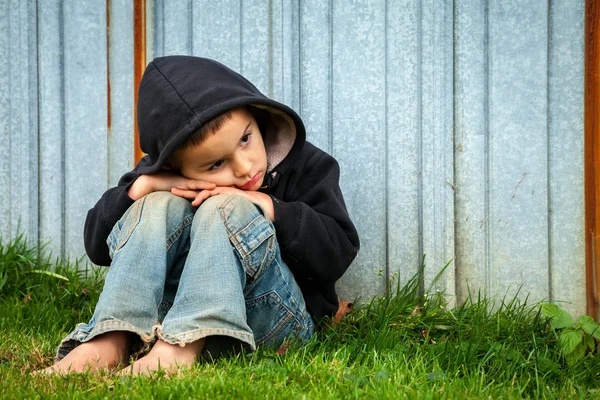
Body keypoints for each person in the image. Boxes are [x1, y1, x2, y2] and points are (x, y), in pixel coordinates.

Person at [41, 55, 359, 375]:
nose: (245, 167)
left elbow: (339, 250)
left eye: (245, 139)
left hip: (275, 320)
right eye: (216, 164)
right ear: (176, 167)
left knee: (225, 207)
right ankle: (111, 339)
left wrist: (267, 206)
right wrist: (146, 185)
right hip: (166, 321)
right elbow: (97, 246)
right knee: (156, 204)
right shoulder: (160, 175)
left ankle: (181, 350)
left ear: (255, 115)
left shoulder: (307, 165)